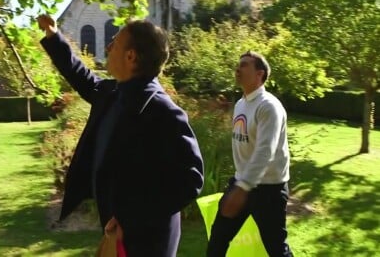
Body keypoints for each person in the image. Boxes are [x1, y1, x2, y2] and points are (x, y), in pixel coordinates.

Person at [37, 14, 204, 256]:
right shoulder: (113, 93)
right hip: (118, 230)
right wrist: (53, 37)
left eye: (114, 42)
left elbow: (190, 180)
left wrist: (131, 217)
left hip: (147, 239)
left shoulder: (161, 110)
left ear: (131, 56)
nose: (108, 47)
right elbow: (81, 77)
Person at [207, 51, 293, 257]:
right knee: (218, 238)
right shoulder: (241, 104)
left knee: (276, 248)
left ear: (259, 74)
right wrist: (239, 185)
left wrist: (242, 188)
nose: (238, 69)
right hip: (241, 183)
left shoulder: (269, 106)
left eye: (244, 65)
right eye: (238, 65)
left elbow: (265, 151)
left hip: (269, 190)